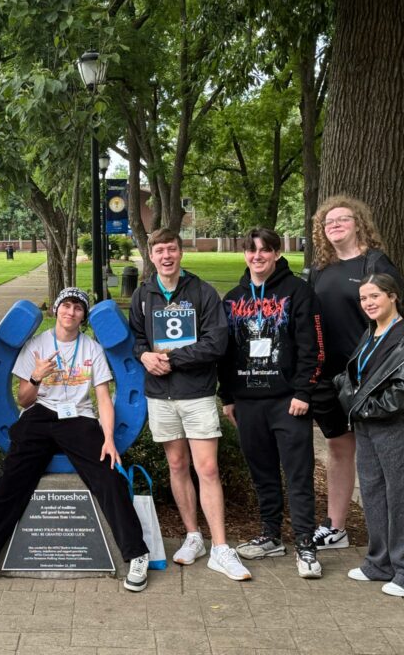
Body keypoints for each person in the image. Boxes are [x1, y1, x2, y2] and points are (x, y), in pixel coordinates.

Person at [0, 288, 152, 594]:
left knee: (108, 476)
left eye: (78, 308)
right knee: (10, 480)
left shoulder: (92, 349)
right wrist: (36, 377)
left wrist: (108, 439)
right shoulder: (37, 346)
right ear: (56, 310)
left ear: (83, 316)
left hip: (79, 419)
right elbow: (23, 399)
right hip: (41, 415)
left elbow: (103, 399)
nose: (71, 312)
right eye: (66, 306)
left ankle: (137, 554)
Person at [128, 228, 251, 582]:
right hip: (160, 396)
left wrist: (173, 358)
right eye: (159, 251)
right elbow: (137, 338)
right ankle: (193, 536)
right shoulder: (143, 294)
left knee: (207, 468)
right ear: (151, 256)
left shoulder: (202, 292)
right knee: (177, 464)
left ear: (181, 253)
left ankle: (221, 548)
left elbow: (217, 343)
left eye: (172, 249)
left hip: (196, 393)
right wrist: (145, 355)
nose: (166, 256)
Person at [219, 228, 324, 579]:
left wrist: (303, 392)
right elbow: (226, 352)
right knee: (262, 473)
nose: (258, 256)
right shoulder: (232, 299)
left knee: (298, 474)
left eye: (265, 250)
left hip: (287, 401)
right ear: (244, 254)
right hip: (248, 403)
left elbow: (313, 347)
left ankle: (306, 544)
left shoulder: (298, 292)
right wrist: (229, 397)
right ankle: (270, 535)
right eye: (251, 250)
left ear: (277, 253)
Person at [306, 195, 404, 551]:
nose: (334, 226)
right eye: (327, 223)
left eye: (342, 220)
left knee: (375, 450)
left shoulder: (375, 263)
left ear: (358, 222)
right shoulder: (321, 266)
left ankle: (392, 531)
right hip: (329, 373)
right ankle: (336, 528)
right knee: (338, 447)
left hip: (368, 373)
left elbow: (398, 320)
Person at [335, 273, 404, 596]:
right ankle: (380, 563)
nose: (368, 303)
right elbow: (358, 375)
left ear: (393, 296)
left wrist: (363, 408)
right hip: (367, 426)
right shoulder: (372, 333)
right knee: (375, 494)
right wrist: (345, 392)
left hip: (395, 426)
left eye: (375, 296)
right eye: (364, 298)